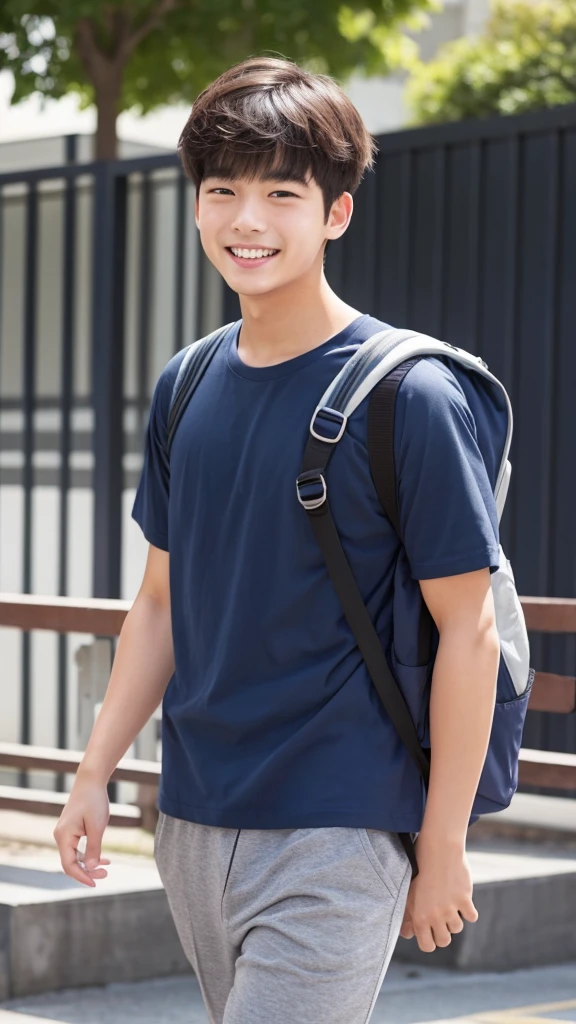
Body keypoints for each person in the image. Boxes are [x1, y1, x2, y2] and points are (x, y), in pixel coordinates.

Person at [54, 55, 503, 1023]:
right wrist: (95, 770)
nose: (246, 220)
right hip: (195, 820)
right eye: (222, 190)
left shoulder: (409, 397)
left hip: (336, 830)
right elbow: (162, 602)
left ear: (336, 212)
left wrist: (444, 842)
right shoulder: (185, 385)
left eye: (280, 192)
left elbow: (470, 631)